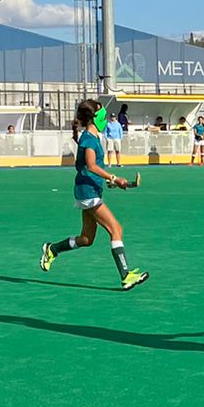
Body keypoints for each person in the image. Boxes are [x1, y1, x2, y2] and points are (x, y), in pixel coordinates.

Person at [42, 99, 147, 289]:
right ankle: (126, 276)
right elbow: (91, 166)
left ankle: (52, 249)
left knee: (86, 239)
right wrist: (114, 178)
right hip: (88, 193)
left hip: (88, 190)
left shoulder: (92, 137)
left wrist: (107, 181)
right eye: (101, 115)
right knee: (116, 229)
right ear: (93, 118)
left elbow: (89, 168)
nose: (105, 118)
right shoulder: (89, 139)